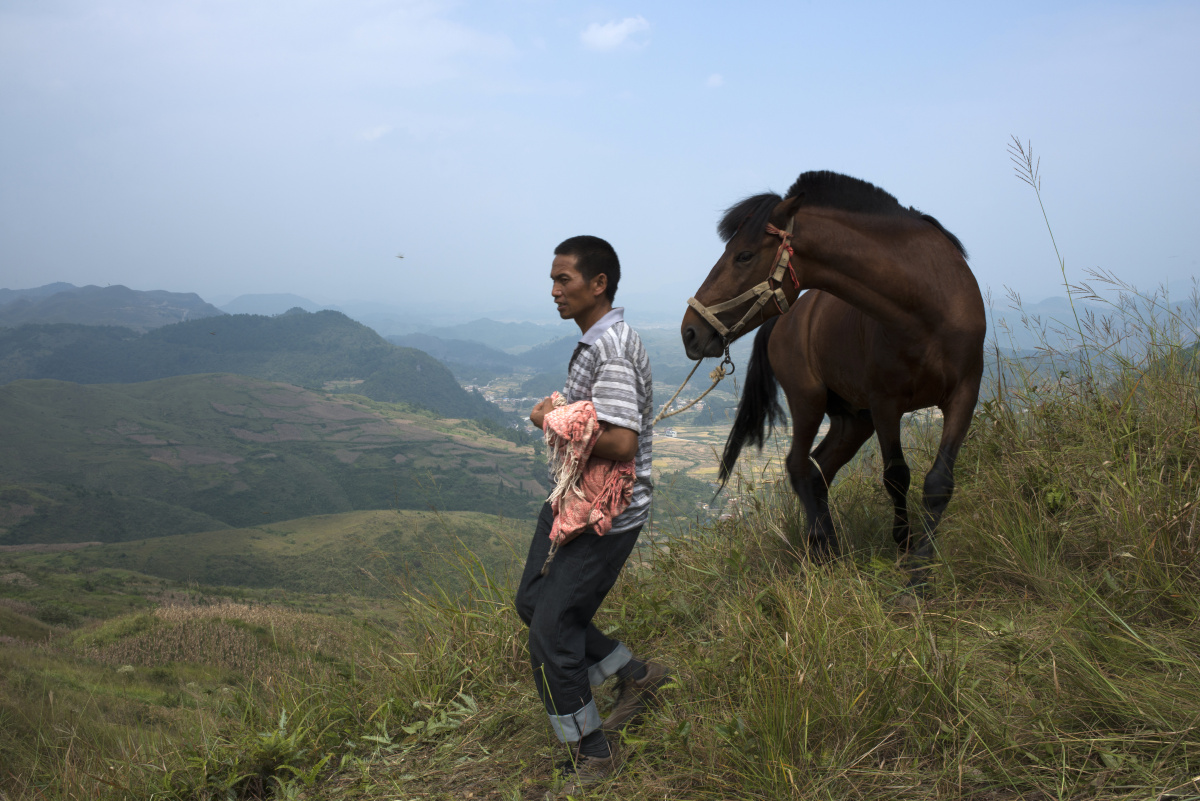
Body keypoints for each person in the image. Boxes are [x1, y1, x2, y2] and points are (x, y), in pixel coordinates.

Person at [515, 235, 668, 786]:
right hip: (576, 500)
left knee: (551, 631)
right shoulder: (596, 342)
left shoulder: (612, 349)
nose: (554, 291)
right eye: (553, 280)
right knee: (534, 602)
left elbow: (623, 444)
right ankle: (637, 674)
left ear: (598, 284)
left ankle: (592, 753)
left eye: (564, 280)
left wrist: (550, 420)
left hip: (605, 512)